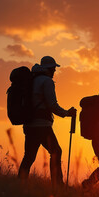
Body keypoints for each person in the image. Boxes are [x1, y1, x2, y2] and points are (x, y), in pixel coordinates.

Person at [18, 56, 76, 187]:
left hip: (29, 123)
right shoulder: (47, 81)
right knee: (56, 151)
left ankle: (20, 183)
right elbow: (52, 104)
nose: (55, 71)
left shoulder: (31, 80)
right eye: (54, 69)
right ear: (49, 69)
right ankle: (57, 184)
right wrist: (66, 113)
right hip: (42, 125)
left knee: (29, 156)